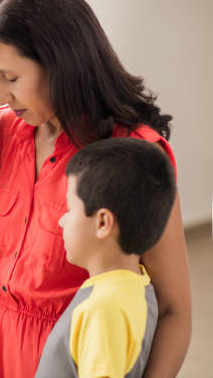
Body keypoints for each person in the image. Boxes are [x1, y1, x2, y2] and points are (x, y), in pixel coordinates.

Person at [0, 0, 191, 378]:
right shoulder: (7, 132)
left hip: (76, 354)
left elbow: (174, 310)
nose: (0, 96)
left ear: (60, 62)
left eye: (11, 77)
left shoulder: (133, 154)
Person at [35, 138, 176, 378]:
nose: (62, 221)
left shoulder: (104, 310)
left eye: (70, 210)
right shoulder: (138, 285)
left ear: (102, 222)